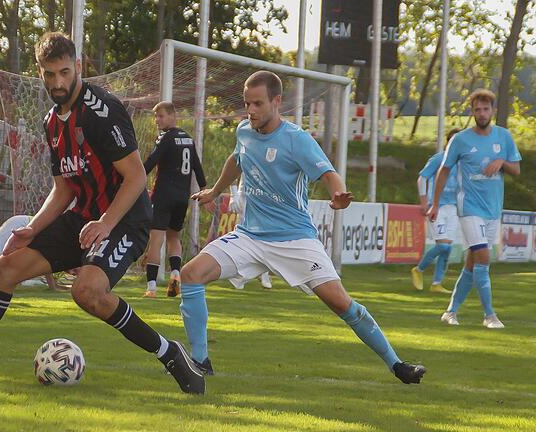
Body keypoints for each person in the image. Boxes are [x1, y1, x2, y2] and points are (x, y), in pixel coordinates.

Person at [0, 32, 205, 394]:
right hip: (83, 217)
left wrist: (105, 223)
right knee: (6, 267)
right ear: (41, 73)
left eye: (65, 72)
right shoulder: (52, 121)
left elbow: (136, 177)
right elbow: (63, 188)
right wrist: (31, 229)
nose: (58, 82)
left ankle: (169, 352)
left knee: (87, 292)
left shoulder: (103, 111)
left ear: (78, 66)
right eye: (50, 75)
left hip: (125, 218)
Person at [181, 71, 426, 385]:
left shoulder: (296, 139)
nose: (251, 110)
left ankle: (397, 365)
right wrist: (215, 191)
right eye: (247, 103)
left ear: (277, 102)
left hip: (295, 239)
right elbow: (237, 159)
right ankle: (200, 362)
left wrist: (338, 194)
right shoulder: (244, 131)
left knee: (341, 303)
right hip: (250, 236)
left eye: (258, 103)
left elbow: (329, 174)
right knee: (190, 274)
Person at [428, 89, 521, 328]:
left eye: (485, 109)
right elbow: (444, 170)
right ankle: (489, 315)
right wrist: (436, 203)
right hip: (468, 208)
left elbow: (516, 170)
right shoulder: (461, 140)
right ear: (472, 112)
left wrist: (501, 162)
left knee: (473, 263)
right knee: (483, 258)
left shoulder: (503, 137)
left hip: (493, 209)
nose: (481, 113)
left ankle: (450, 312)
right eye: (477, 110)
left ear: (492, 110)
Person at [141, 101, 206, 298]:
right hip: (182, 197)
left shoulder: (166, 138)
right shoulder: (187, 138)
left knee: (156, 239)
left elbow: (152, 161)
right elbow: (196, 165)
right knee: (174, 237)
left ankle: (151, 288)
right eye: (155, 116)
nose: (157, 120)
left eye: (160, 116)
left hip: (163, 194)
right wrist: (204, 188)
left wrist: (135, 177)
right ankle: (176, 275)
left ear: (172, 115)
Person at [411, 128, 461, 294]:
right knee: (444, 247)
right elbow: (422, 177)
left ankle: (436, 283)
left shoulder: (463, 163)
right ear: (448, 142)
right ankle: (419, 269)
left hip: (453, 208)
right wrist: (424, 200)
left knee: (447, 247)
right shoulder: (439, 159)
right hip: (436, 206)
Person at [228, 182, 272, 290]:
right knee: (242, 235)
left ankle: (264, 273)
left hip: (266, 196)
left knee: (265, 235)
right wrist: (233, 194)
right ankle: (239, 273)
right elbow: (234, 169)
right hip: (246, 195)